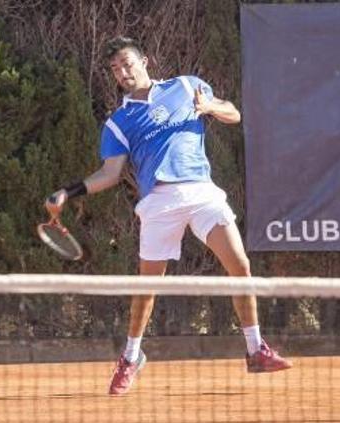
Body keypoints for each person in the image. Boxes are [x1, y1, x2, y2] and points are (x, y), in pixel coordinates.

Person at [45, 36, 292, 396]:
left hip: (201, 190)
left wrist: (207, 106)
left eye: (127, 63)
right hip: (159, 201)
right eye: (115, 69)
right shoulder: (118, 122)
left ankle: (256, 350)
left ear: (145, 61)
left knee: (240, 266)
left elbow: (233, 114)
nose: (123, 72)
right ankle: (131, 357)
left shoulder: (186, 86)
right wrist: (70, 190)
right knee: (147, 287)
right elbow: (110, 173)